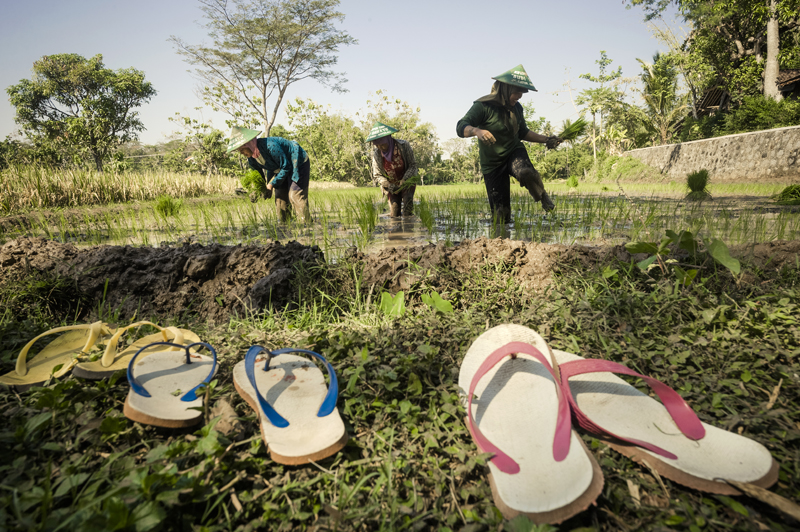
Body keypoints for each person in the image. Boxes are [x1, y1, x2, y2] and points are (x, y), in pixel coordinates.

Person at [456, 64, 562, 223]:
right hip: (492, 164)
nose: (520, 96)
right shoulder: (483, 106)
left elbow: (522, 132)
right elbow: (461, 127)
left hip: (514, 152)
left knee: (526, 172)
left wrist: (547, 139)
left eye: (522, 92)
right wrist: (477, 131)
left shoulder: (516, 108)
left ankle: (542, 195)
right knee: (501, 217)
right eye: (517, 92)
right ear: (504, 89)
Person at [226, 127, 311, 223]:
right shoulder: (252, 158)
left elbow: (286, 166)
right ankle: (285, 226)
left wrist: (271, 185)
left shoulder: (270, 146)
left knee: (294, 195)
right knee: (279, 200)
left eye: (242, 149)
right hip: (280, 169)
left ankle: (306, 226)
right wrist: (258, 191)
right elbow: (258, 177)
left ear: (249, 143)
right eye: (239, 151)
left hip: (297, 162)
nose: (241, 153)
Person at [367, 122, 419, 217]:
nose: (380, 147)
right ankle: (395, 230)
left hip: (406, 182)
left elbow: (413, 165)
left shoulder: (404, 146)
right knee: (395, 212)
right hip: (390, 185)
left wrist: (405, 179)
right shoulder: (377, 154)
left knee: (407, 208)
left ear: (388, 139)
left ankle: (408, 228)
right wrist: (386, 183)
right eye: (377, 145)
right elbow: (377, 174)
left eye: (382, 145)